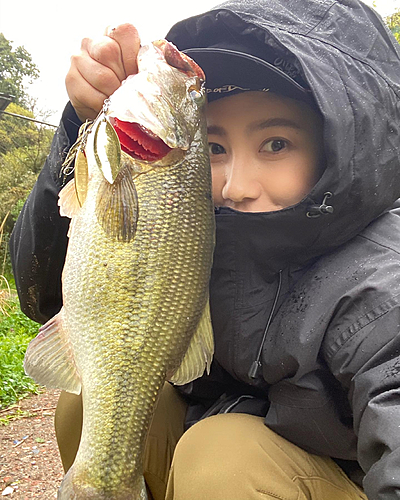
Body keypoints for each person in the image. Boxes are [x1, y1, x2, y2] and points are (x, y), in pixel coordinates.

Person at [9, 0, 400, 498]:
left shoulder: (384, 287)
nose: (236, 186)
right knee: (84, 405)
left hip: (327, 480)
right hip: (236, 430)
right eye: (213, 148)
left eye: (275, 144)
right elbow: (42, 295)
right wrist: (81, 131)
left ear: (342, 145)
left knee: (224, 460)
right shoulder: (203, 225)